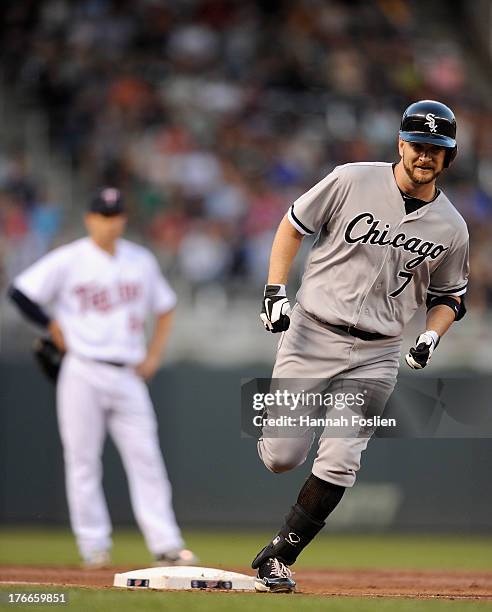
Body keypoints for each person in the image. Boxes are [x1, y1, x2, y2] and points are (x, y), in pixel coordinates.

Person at [253, 100, 469, 592]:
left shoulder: (453, 227)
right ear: (400, 143)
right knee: (283, 456)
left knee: (341, 458)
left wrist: (432, 334)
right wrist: (273, 289)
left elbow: (451, 297)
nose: (425, 155)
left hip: (378, 353)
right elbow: (292, 225)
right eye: (418, 144)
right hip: (312, 332)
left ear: (449, 156)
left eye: (436, 148)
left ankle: (279, 556)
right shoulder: (351, 179)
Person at [9, 187, 197, 568]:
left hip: (127, 372)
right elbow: (20, 292)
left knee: (147, 458)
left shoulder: (140, 260)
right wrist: (50, 324)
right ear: (90, 219)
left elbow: (166, 307)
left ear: (123, 219)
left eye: (115, 215)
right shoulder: (70, 259)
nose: (110, 222)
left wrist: (154, 354)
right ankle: (93, 545)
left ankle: (166, 543)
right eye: (103, 215)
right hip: (82, 368)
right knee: (83, 461)